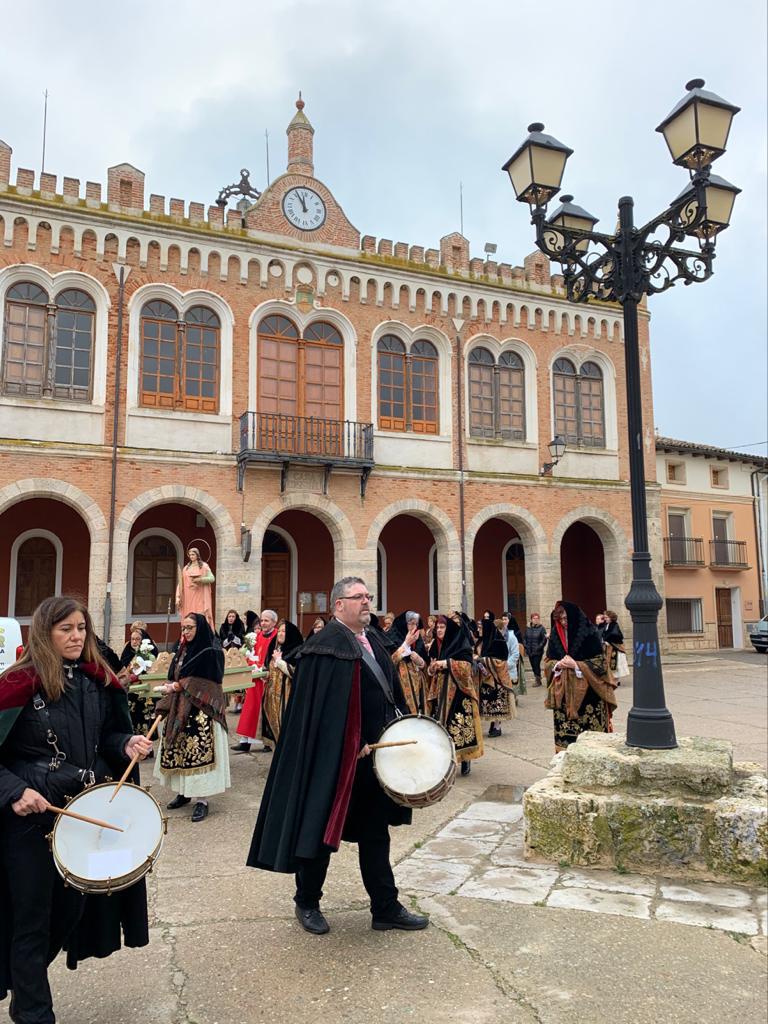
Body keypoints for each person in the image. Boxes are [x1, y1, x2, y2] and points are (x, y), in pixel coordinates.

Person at [248, 576, 428, 936]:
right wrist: (347, 741)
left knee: (376, 834)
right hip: (332, 761)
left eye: (368, 596)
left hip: (373, 760)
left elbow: (389, 691)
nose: (366, 602)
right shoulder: (323, 646)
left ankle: (385, 907)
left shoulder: (375, 640)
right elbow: (317, 712)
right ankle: (307, 901)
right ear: (338, 605)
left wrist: (405, 726)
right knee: (319, 832)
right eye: (357, 597)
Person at [0, 596, 152, 1024]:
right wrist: (14, 791)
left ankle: (23, 985)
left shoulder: (95, 682)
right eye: (66, 629)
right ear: (45, 633)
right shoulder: (17, 683)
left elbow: (106, 737)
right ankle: (34, 1012)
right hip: (28, 821)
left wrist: (125, 744)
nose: (76, 636)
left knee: (69, 913)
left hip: (80, 818)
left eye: (81, 628)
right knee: (32, 919)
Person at [153, 613, 230, 822]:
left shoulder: (212, 651)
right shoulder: (182, 649)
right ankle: (183, 793)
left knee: (199, 752)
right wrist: (170, 690)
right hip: (180, 708)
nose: (185, 632)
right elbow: (175, 674)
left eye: (189, 628)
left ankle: (202, 800)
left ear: (200, 627)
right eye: (183, 628)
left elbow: (207, 681)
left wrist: (178, 686)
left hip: (202, 711)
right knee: (178, 751)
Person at [543, 601, 618, 752]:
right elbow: (548, 661)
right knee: (567, 739)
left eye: (566, 619)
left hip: (589, 693)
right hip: (563, 693)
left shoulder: (590, 633)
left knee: (590, 739)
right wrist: (558, 664)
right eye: (560, 620)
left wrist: (576, 665)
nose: (563, 623)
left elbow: (601, 663)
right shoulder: (556, 636)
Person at [427, 615, 483, 776]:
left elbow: (466, 668)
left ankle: (465, 759)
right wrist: (432, 668)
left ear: (449, 629)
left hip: (459, 692)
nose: (438, 630)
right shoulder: (436, 646)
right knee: (442, 725)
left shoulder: (461, 644)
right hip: (440, 691)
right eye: (437, 627)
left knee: (458, 725)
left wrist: (445, 663)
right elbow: (431, 669)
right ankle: (445, 760)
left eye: (442, 627)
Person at [234, 610, 278, 754]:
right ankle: (245, 741)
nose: (263, 624)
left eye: (267, 621)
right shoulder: (256, 636)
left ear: (274, 622)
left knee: (264, 710)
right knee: (250, 709)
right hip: (254, 677)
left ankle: (266, 741)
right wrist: (249, 664)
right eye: (262, 621)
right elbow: (250, 654)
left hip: (266, 678)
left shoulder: (276, 636)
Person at [261, 619, 303, 747]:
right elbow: (268, 666)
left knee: (285, 725)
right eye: (279, 631)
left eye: (284, 631)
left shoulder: (298, 650)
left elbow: (297, 673)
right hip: (272, 695)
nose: (280, 633)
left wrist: (279, 661)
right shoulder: (274, 648)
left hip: (287, 696)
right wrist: (265, 674)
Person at [478, 615, 516, 738]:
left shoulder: (498, 642)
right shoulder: (484, 641)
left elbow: (500, 661)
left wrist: (482, 660)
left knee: (497, 703)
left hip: (498, 680)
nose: (479, 630)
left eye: (481, 628)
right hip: (487, 679)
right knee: (489, 703)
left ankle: (497, 726)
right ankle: (493, 724)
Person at [119, 625, 159, 736]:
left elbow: (149, 671)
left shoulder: (148, 654)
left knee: (144, 727)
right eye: (132, 639)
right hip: (129, 694)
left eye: (137, 639)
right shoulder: (127, 652)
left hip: (143, 695)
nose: (134, 642)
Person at [389, 611, 430, 716]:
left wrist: (421, 662)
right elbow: (388, 664)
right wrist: (405, 645)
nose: (414, 627)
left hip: (419, 689)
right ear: (404, 624)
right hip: (401, 688)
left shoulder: (418, 640)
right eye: (411, 623)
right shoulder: (391, 639)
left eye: (416, 624)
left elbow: (427, 666)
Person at [175, 546, 215, 628]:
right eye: (190, 555)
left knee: (200, 617)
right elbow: (181, 583)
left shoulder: (204, 566)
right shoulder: (186, 568)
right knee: (189, 616)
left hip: (200, 596)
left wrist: (200, 579)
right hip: (188, 597)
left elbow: (212, 578)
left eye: (193, 554)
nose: (191, 556)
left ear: (197, 555)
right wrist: (178, 597)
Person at [523, 612, 548, 687]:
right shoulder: (528, 628)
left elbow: (544, 639)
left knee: (536, 665)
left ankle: (538, 680)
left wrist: (539, 647)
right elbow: (524, 638)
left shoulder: (541, 628)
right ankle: (537, 677)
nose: (536, 620)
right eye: (534, 618)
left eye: (537, 618)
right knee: (533, 665)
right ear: (531, 619)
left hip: (538, 651)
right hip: (529, 650)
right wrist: (525, 646)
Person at [602, 611, 625, 677]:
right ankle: (611, 678)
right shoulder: (607, 625)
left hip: (615, 647)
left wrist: (608, 640)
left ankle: (616, 679)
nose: (605, 619)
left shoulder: (614, 625)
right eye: (605, 617)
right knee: (607, 662)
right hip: (608, 647)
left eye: (607, 617)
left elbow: (617, 635)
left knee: (616, 663)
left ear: (611, 618)